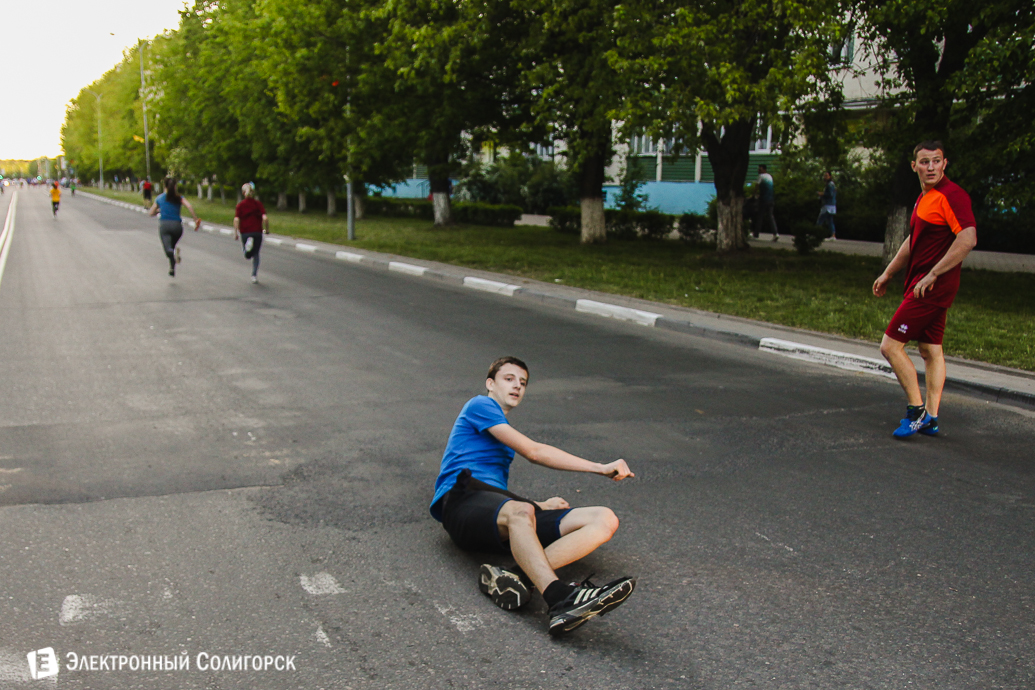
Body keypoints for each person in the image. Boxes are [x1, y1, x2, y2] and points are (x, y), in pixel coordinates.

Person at [431, 357, 637, 636]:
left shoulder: (496, 423)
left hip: (492, 506)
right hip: (460, 501)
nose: (517, 385)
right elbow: (534, 452)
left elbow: (497, 496)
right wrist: (599, 468)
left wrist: (537, 505)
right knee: (520, 511)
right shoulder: (480, 405)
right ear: (490, 384)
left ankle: (514, 575)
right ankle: (560, 598)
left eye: (523, 382)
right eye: (509, 379)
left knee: (604, 519)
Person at [872, 141, 977, 438]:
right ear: (914, 166)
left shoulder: (952, 195)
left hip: (931, 288)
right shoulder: (925, 197)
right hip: (922, 285)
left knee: (890, 346)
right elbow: (912, 240)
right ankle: (931, 417)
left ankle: (915, 411)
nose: (930, 167)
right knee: (931, 350)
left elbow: (967, 239)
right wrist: (888, 273)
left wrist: (933, 274)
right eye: (924, 162)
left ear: (945, 164)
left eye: (936, 161)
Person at [148, 177, 200, 277]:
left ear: (165, 186)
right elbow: (189, 206)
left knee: (168, 250)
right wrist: (195, 220)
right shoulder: (179, 198)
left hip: (165, 226)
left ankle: (173, 254)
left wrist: (159, 211)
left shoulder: (159, 198)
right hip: (177, 228)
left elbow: (151, 213)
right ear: (175, 186)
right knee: (171, 247)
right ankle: (172, 267)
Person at [233, 183, 268, 283]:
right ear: (252, 193)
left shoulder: (240, 205)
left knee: (247, 255)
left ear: (243, 193)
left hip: (245, 232)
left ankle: (248, 246)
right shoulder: (258, 204)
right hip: (257, 232)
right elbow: (265, 218)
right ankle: (254, 276)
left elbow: (236, 220)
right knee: (256, 254)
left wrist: (235, 233)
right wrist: (267, 230)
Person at [753, 164, 779, 241]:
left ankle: (756, 234)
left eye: (760, 170)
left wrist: (753, 195)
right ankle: (775, 233)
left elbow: (756, 187)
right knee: (771, 216)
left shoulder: (761, 177)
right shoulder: (770, 177)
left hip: (763, 200)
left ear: (764, 170)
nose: (758, 171)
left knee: (759, 216)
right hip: (771, 199)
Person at [816, 171, 837, 239]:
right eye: (824, 176)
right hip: (832, 205)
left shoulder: (829, 185)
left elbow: (830, 194)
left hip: (828, 205)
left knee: (820, 220)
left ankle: (815, 233)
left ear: (830, 176)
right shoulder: (832, 184)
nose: (825, 177)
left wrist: (822, 194)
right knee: (830, 220)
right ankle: (833, 234)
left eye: (826, 176)